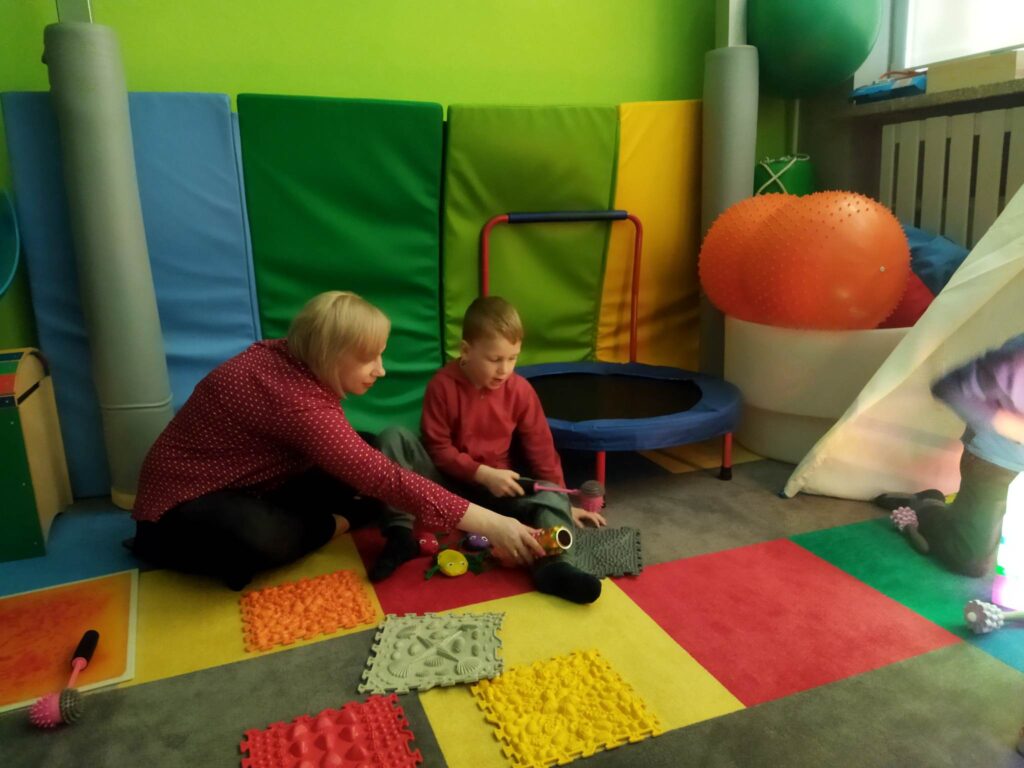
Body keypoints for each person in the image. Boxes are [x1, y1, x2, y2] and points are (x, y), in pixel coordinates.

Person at [130, 291, 545, 590]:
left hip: (258, 481)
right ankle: (334, 523)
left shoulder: (290, 356)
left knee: (368, 447)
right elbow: (383, 478)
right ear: (330, 356)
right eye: (369, 359)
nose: (381, 370)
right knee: (259, 534)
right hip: (179, 512)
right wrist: (494, 524)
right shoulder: (297, 402)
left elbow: (363, 462)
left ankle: (328, 517)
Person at [369, 296, 607, 604]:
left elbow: (543, 452)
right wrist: (481, 473)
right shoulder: (442, 385)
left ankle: (554, 567)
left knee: (551, 497)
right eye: (495, 359)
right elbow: (438, 449)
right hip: (446, 487)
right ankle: (399, 536)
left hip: (499, 493)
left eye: (513, 358)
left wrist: (561, 502)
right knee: (392, 436)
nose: (504, 369)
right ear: (466, 350)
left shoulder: (520, 391)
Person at [875, 332, 1024, 577]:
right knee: (970, 560)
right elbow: (949, 387)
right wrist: (1009, 424)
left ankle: (968, 516)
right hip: (997, 462)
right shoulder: (1017, 360)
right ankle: (926, 507)